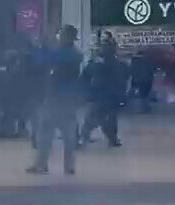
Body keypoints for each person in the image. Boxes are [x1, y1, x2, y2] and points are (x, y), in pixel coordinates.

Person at [28, 24, 83, 175]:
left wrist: (41, 47)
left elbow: (42, 61)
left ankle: (41, 165)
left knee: (46, 133)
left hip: (56, 98)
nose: (60, 38)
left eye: (62, 35)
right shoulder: (76, 54)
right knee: (68, 136)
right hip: (68, 98)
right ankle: (69, 167)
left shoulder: (65, 53)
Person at [80, 40, 124, 148]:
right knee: (106, 118)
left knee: (93, 118)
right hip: (108, 95)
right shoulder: (117, 63)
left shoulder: (99, 63)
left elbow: (86, 75)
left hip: (101, 95)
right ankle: (112, 138)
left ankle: (84, 138)